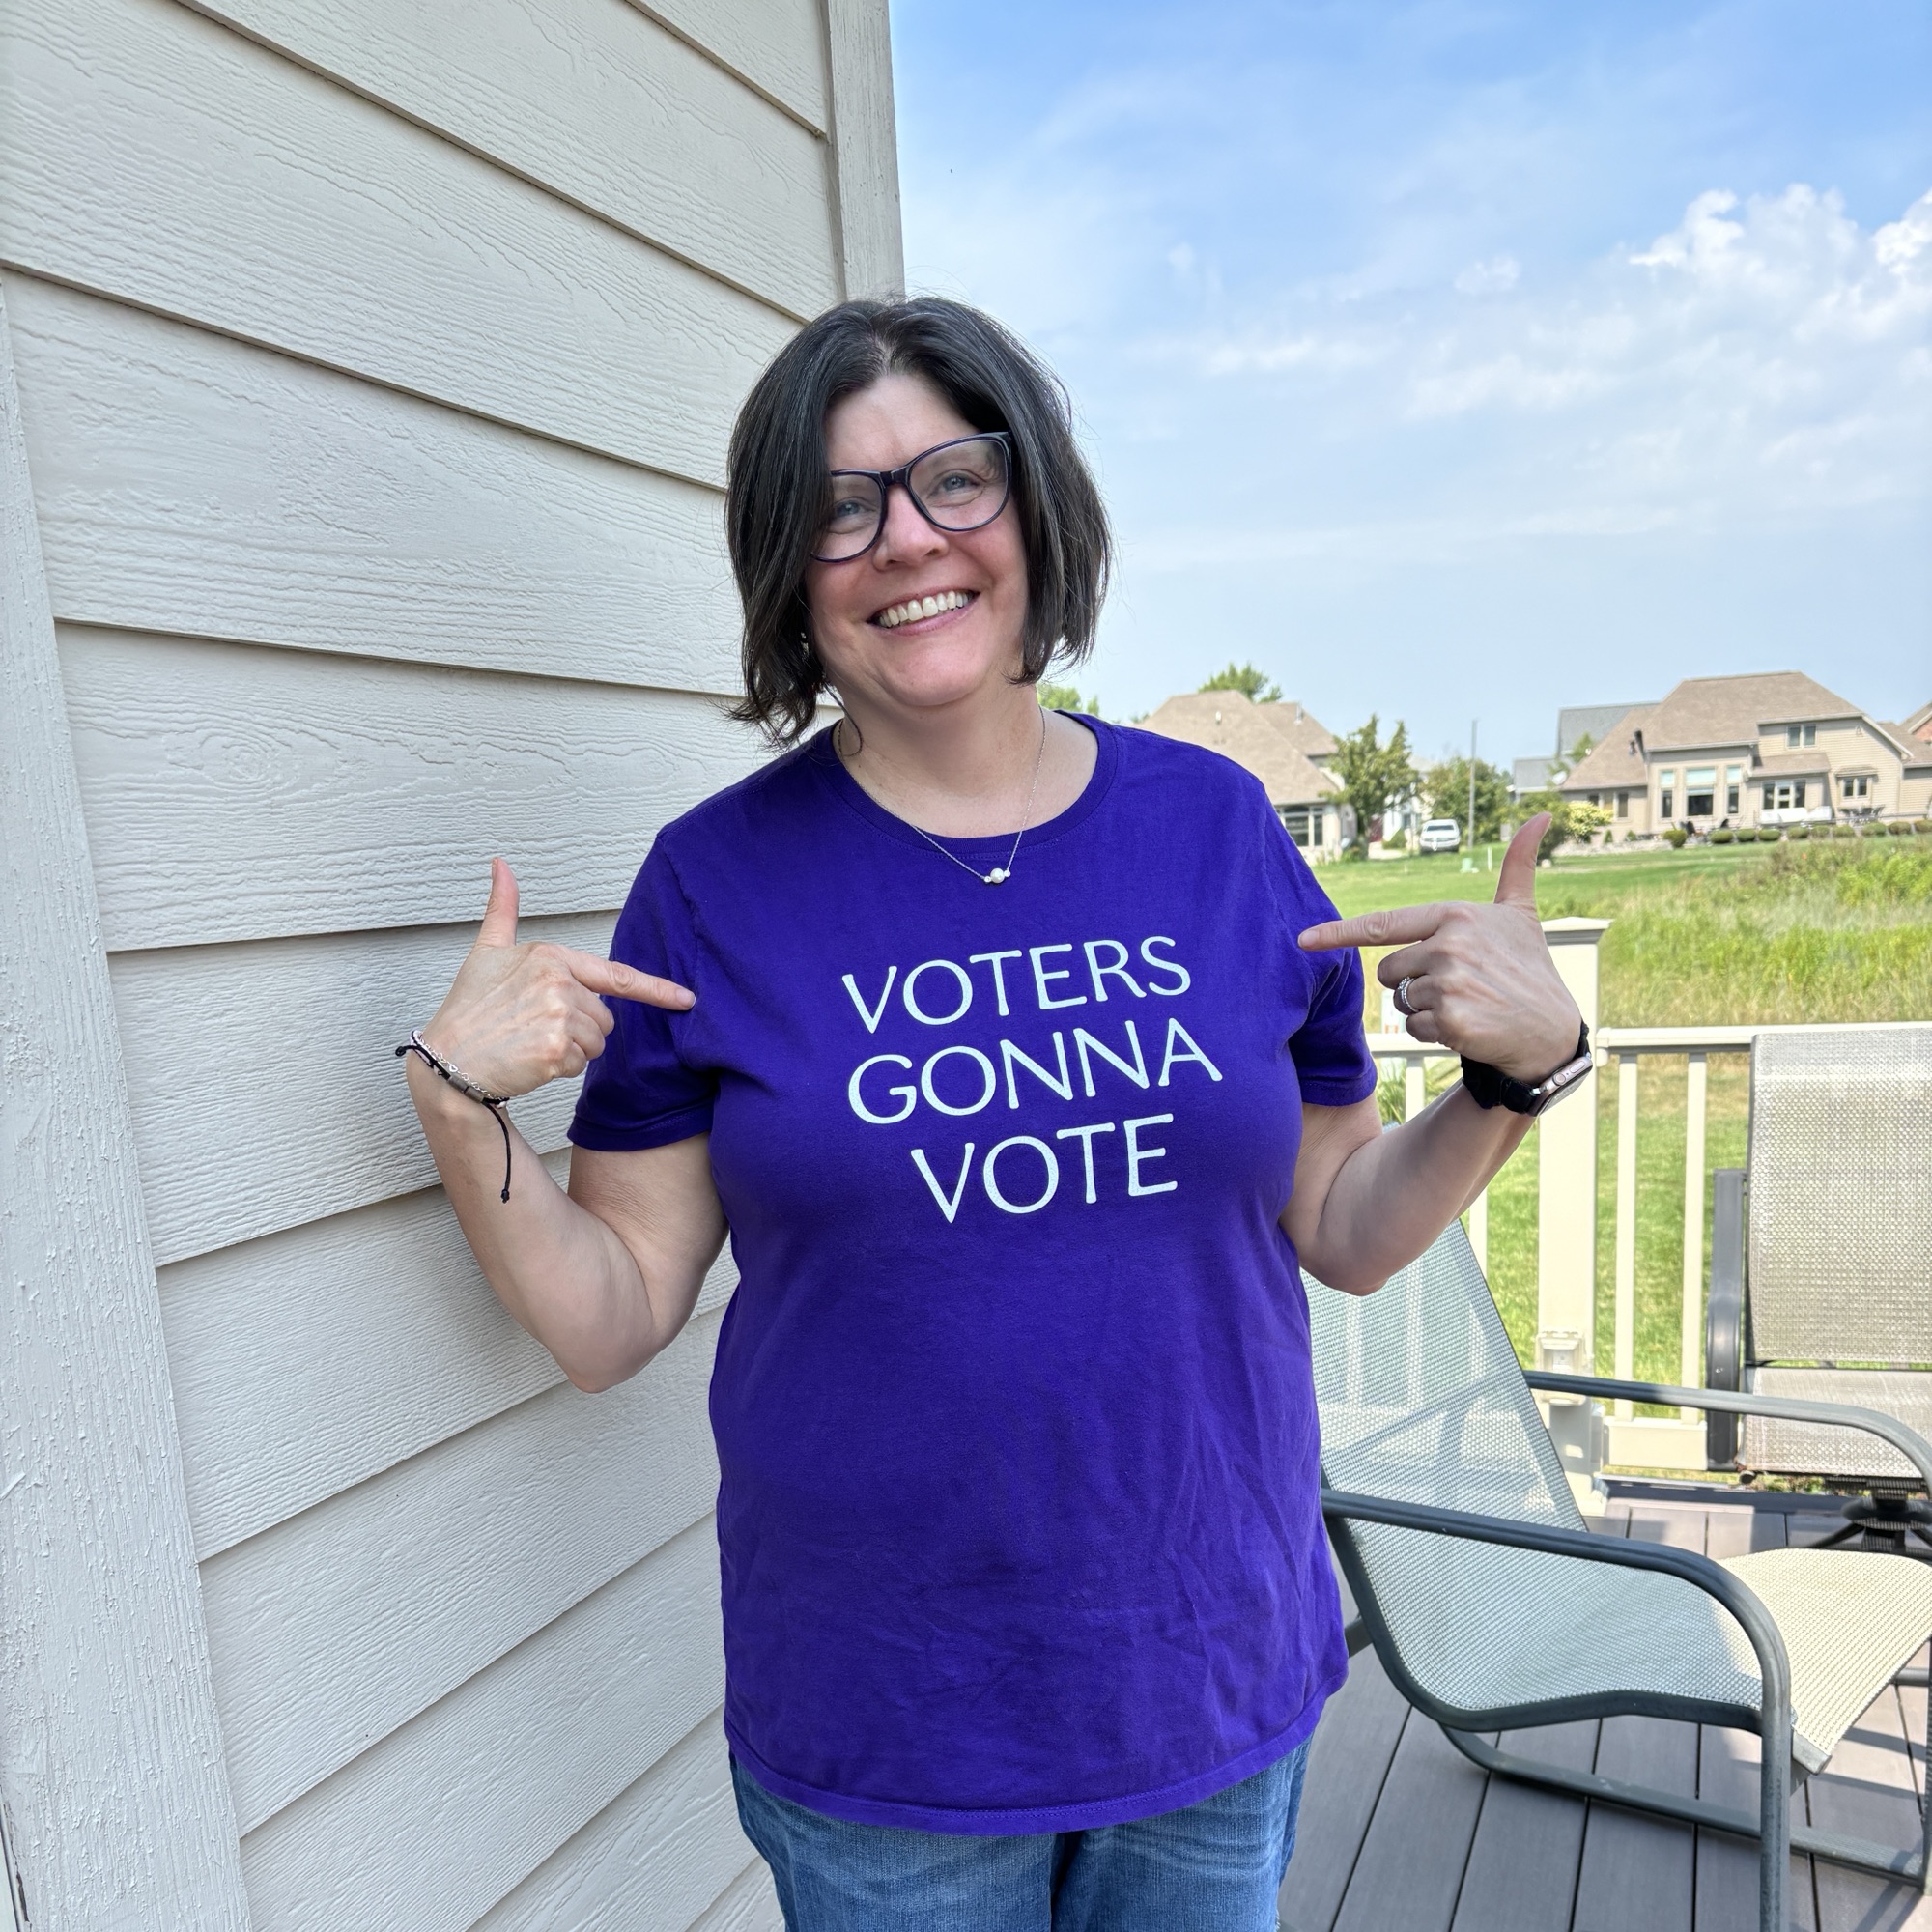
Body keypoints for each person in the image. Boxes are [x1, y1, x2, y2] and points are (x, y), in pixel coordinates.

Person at [400, 298, 1586, 1932]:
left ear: (1034, 508)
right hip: (892, 1724)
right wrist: (462, 1109)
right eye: (839, 507)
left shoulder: (1216, 828)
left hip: (1205, 1676)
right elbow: (613, 1319)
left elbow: (1344, 1228)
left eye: (956, 478)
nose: (907, 541)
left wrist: (1513, 1080)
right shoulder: (715, 882)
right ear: (786, 571)